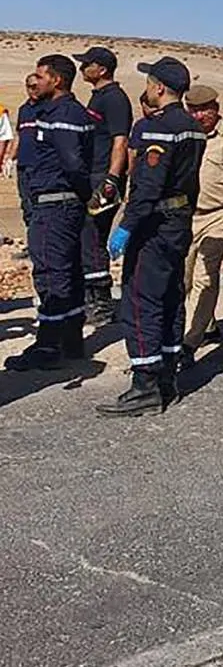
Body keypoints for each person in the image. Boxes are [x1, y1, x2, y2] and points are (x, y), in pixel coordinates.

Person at [97, 58, 206, 417]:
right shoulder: (193, 127)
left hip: (154, 226)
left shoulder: (155, 129)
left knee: (141, 302)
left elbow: (148, 186)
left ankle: (145, 384)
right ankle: (167, 378)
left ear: (159, 88)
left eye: (149, 83)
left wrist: (127, 225)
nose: (146, 88)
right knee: (171, 296)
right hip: (179, 221)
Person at [4, 56, 93, 371]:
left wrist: (81, 193)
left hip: (55, 204)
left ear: (57, 80)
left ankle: (48, 345)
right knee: (67, 271)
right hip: (55, 202)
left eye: (40, 76)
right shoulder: (54, 111)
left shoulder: (63, 114)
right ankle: (70, 340)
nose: (35, 80)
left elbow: (72, 162)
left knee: (51, 274)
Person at [181, 85, 223, 365]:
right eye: (193, 110)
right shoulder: (185, 136)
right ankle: (206, 325)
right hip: (186, 218)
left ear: (216, 109)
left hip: (218, 218)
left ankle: (188, 342)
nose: (199, 116)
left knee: (205, 279)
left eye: (204, 110)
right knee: (182, 281)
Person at [76, 46, 133, 325]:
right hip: (93, 175)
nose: (82, 68)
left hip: (104, 178)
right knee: (85, 235)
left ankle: (101, 303)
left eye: (87, 63)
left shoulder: (114, 99)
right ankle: (89, 298)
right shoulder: (98, 96)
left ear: (101, 69)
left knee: (93, 235)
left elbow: (120, 141)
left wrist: (111, 179)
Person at [13, 74, 41, 228]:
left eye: (37, 86)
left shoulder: (47, 109)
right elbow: (19, 135)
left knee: (40, 204)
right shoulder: (23, 110)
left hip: (40, 165)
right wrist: (10, 158)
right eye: (30, 87)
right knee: (26, 203)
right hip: (24, 165)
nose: (34, 90)